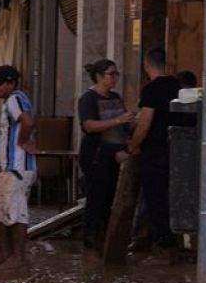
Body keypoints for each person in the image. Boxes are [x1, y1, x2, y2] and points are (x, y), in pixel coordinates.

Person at [120, 47, 182, 251]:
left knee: (155, 197)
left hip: (156, 151)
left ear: (146, 65)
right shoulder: (177, 86)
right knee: (170, 196)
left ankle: (163, 243)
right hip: (178, 150)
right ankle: (165, 239)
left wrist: (131, 146)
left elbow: (144, 124)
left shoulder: (152, 90)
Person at [77, 59, 134, 252]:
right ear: (99, 76)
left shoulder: (115, 97)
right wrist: (118, 120)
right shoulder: (88, 99)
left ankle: (107, 238)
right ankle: (91, 238)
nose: (115, 78)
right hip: (96, 155)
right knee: (96, 197)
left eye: (117, 74)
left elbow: (124, 125)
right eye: (111, 74)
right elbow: (89, 126)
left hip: (116, 154)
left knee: (110, 197)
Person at [0, 64, 35, 270]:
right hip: (8, 168)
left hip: (18, 167)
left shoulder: (15, 98)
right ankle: (6, 253)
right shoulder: (10, 101)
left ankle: (18, 257)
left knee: (16, 211)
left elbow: (28, 122)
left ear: (11, 84)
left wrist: (22, 141)